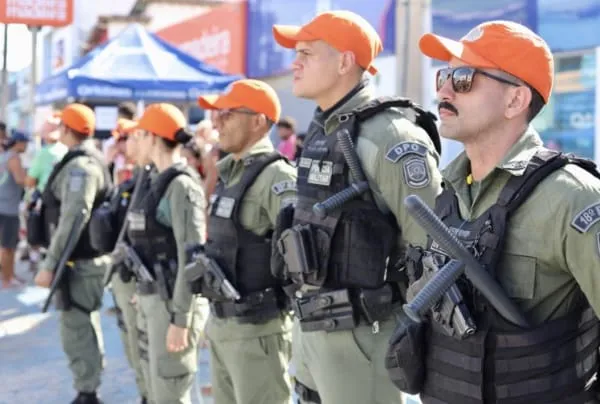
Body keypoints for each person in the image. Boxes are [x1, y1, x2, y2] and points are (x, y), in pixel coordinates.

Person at [386, 20, 600, 404]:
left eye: (465, 78)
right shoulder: (447, 193)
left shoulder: (573, 198)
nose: (446, 90)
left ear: (515, 101)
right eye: (444, 76)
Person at [271, 10, 442, 404]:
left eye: (307, 53)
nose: (294, 62)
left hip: (366, 336)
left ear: (346, 61)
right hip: (314, 326)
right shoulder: (323, 129)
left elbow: (433, 248)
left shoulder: (389, 135)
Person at [194, 79, 297, 404]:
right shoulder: (231, 171)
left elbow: (301, 257)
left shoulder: (277, 177)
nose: (217, 122)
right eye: (217, 115)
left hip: (258, 328)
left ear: (258, 121)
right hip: (224, 323)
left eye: (227, 114)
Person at [125, 103, 206, 404]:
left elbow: (192, 256)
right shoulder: (154, 180)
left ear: (153, 137)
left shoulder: (181, 186)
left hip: (172, 303)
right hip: (153, 298)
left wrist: (181, 319)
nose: (135, 143)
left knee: (171, 392)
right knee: (157, 390)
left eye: (140, 136)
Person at [33, 103, 113, 404]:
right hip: (77, 259)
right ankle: (88, 385)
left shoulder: (81, 167)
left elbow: (73, 217)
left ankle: (87, 391)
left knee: (76, 326)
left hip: (78, 262)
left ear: (67, 129)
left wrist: (50, 264)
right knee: (80, 322)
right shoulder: (81, 160)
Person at [90, 119, 150, 404]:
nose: (122, 145)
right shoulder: (122, 174)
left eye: (127, 138)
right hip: (122, 272)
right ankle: (144, 393)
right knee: (131, 344)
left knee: (145, 347)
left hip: (143, 280)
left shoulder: (153, 180)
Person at [0, 130, 30, 288]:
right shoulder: (13, 157)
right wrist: (31, 179)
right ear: (18, 143)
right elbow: (20, 180)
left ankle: (10, 275)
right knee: (8, 246)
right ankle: (7, 278)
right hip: (8, 207)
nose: (27, 146)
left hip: (4, 204)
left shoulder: (4, 156)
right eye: (25, 143)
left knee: (8, 245)